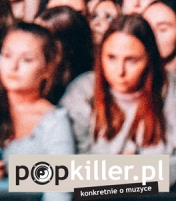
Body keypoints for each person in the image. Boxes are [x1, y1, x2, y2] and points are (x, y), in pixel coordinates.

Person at [61, 15, 176, 183]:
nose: (120, 71)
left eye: (131, 60)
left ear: (149, 60)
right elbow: (64, 167)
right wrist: (132, 170)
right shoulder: (83, 90)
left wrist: (111, 170)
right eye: (111, 58)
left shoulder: (169, 88)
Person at [0, 23, 75, 201]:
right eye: (7, 55)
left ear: (47, 69)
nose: (13, 66)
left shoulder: (54, 121)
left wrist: (14, 172)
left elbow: (60, 192)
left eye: (26, 59)